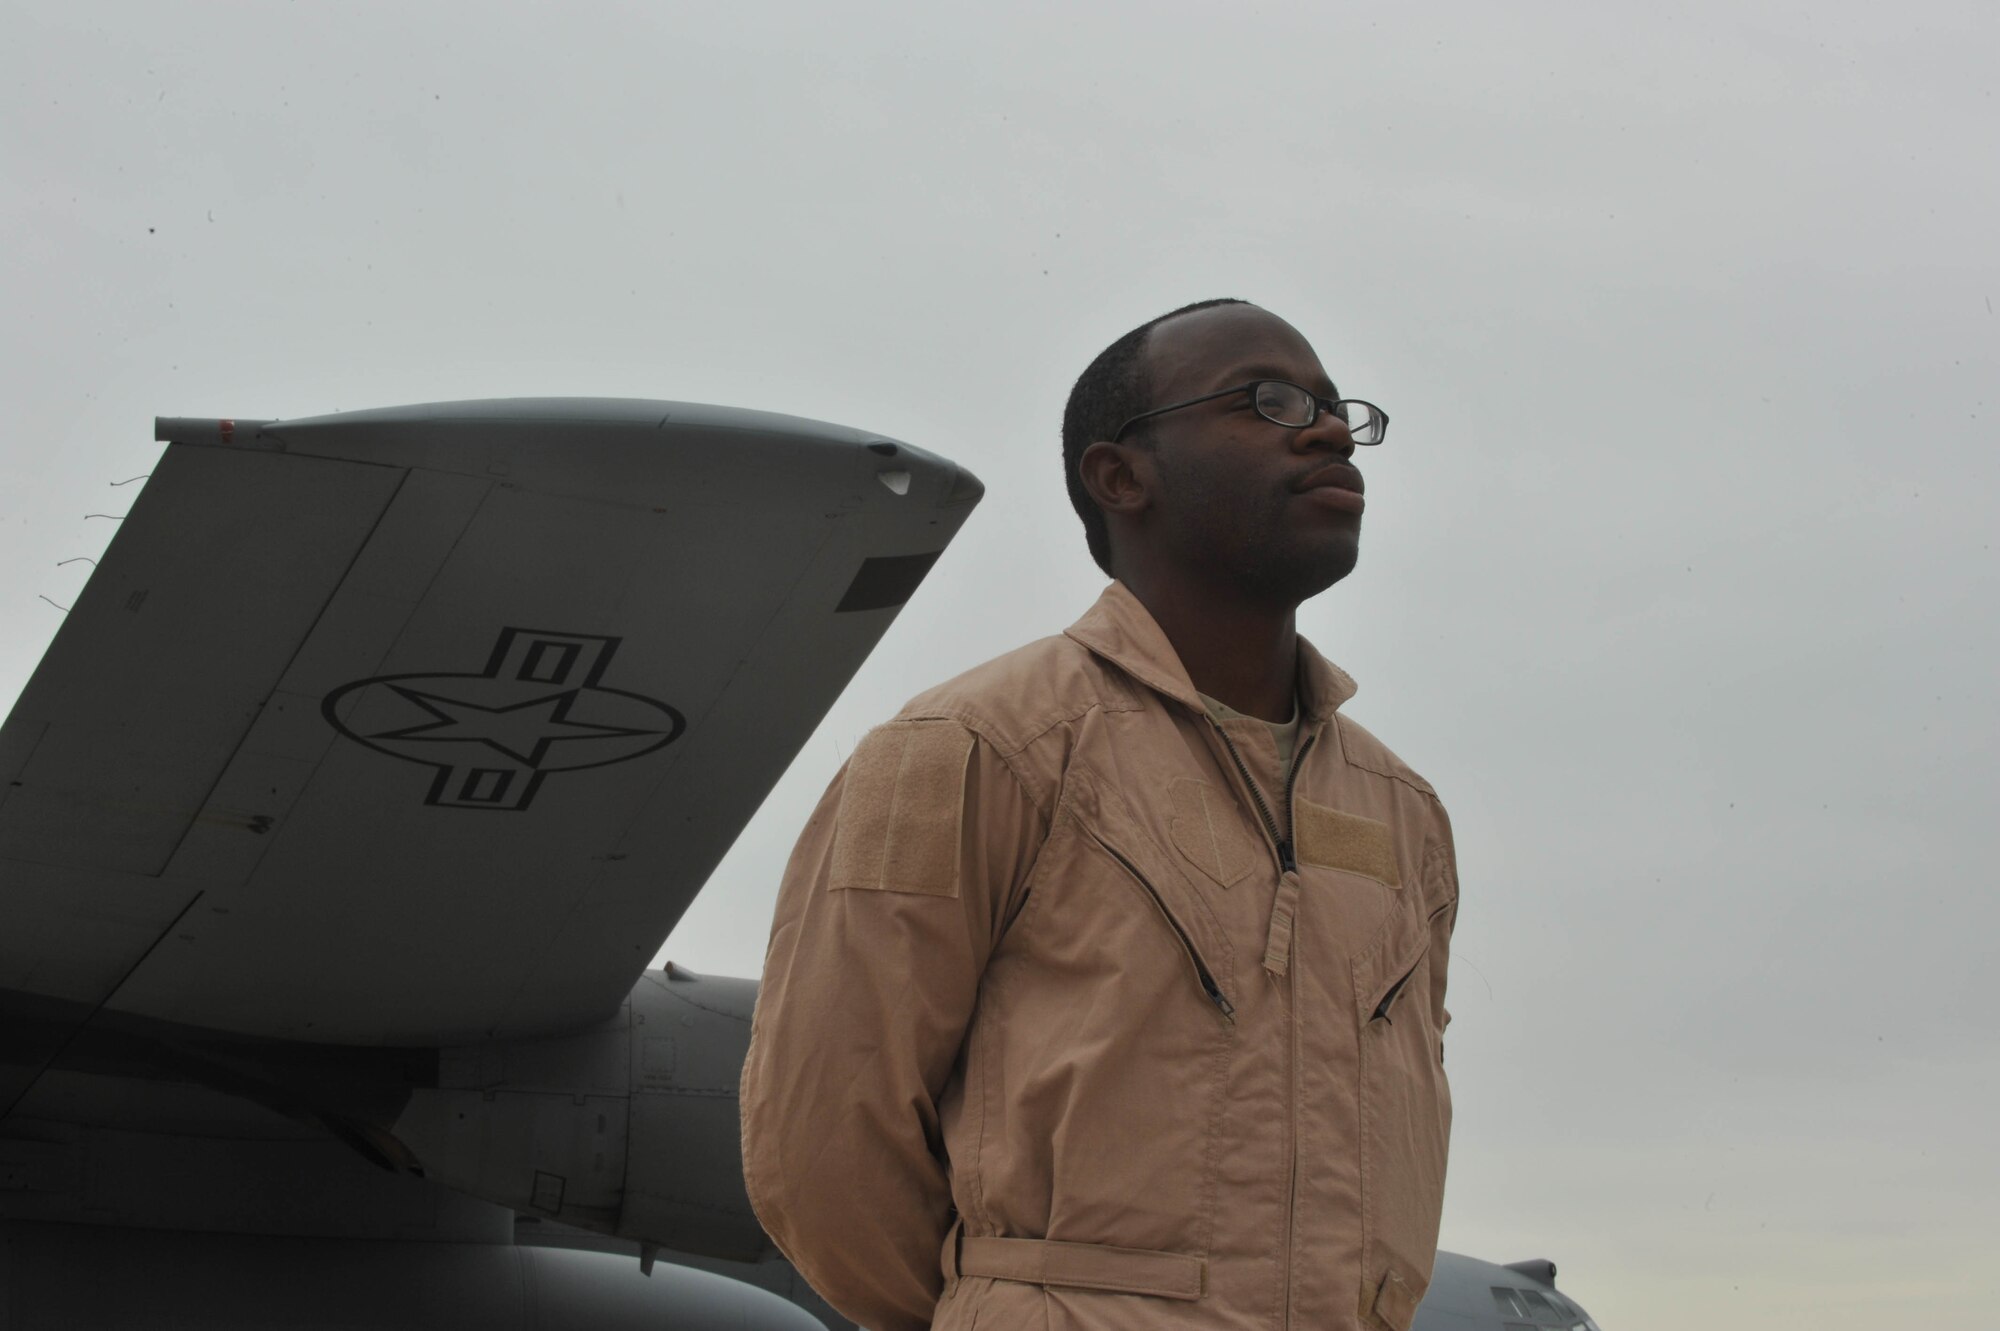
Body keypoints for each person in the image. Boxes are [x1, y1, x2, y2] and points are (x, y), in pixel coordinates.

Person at [740, 299, 1457, 1331]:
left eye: (1338, 407)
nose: (1329, 429)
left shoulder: (1402, 814)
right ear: (1121, 476)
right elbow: (822, 1141)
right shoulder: (968, 747)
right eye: (1267, 400)